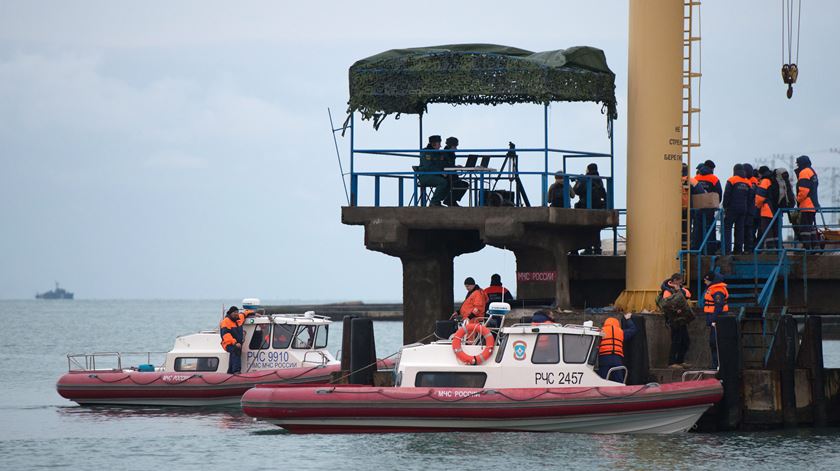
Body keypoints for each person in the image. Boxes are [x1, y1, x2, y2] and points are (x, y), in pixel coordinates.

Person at [657, 273, 694, 368]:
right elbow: (665, 305)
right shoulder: (667, 291)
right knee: (676, 341)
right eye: (680, 280)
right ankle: (672, 362)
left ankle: (680, 361)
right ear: (675, 280)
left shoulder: (679, 289)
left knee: (685, 341)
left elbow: (688, 294)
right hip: (674, 320)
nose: (681, 282)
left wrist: (678, 290)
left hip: (682, 319)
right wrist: (675, 310)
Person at [722, 164, 753, 254]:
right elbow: (751, 197)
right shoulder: (748, 182)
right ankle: (738, 250)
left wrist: (725, 206)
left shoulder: (732, 180)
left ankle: (727, 250)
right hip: (743, 209)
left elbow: (727, 194)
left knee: (727, 228)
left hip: (732, 208)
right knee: (740, 229)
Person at [598, 313, 636, 383]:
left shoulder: (601, 331)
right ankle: (620, 391)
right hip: (617, 359)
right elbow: (633, 329)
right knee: (619, 381)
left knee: (602, 381)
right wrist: (628, 319)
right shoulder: (621, 332)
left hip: (604, 358)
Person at [694, 162, 722, 251]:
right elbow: (719, 194)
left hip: (697, 208)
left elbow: (691, 191)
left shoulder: (696, 178)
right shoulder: (714, 179)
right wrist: (715, 204)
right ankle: (710, 249)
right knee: (710, 228)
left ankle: (697, 248)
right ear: (712, 169)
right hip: (710, 208)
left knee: (697, 228)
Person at [703, 272, 728, 369]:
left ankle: (717, 364)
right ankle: (715, 364)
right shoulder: (712, 289)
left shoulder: (717, 290)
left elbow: (718, 306)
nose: (704, 281)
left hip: (718, 319)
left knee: (715, 342)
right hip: (714, 318)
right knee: (713, 342)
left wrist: (713, 319)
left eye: (706, 280)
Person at [795, 155, 820, 249]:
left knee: (805, 228)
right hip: (813, 204)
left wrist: (798, 199)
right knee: (811, 227)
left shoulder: (804, 172)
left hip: (806, 205)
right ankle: (815, 246)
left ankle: (807, 247)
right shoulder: (812, 171)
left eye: (798, 164)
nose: (797, 166)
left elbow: (804, 190)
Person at [418, 135, 449, 207]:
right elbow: (428, 166)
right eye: (439, 143)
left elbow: (441, 163)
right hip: (425, 176)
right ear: (433, 144)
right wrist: (441, 172)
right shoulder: (427, 152)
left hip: (434, 175)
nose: (440, 146)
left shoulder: (437, 153)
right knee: (443, 182)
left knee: (450, 181)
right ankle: (434, 202)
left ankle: (440, 201)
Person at [441, 136, 469, 207]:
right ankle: (449, 201)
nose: (456, 148)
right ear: (451, 146)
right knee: (459, 184)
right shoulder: (444, 154)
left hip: (452, 175)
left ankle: (452, 201)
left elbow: (450, 165)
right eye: (455, 146)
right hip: (446, 176)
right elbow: (445, 166)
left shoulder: (451, 154)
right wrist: (455, 167)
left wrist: (456, 167)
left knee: (465, 184)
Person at [754, 166, 778, 248]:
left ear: (761, 173)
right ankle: (777, 248)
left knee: (767, 230)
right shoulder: (772, 179)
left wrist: (757, 205)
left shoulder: (765, 181)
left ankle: (770, 249)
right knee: (774, 230)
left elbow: (760, 197)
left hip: (766, 209)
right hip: (775, 209)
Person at [220, 306, 245, 374]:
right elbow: (226, 335)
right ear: (230, 313)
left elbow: (244, 314)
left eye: (237, 312)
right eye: (234, 312)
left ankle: (230, 371)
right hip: (227, 343)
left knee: (235, 352)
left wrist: (253, 313)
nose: (236, 314)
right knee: (235, 350)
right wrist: (235, 342)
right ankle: (236, 371)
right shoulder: (225, 322)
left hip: (237, 343)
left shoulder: (239, 319)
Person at [742, 163, 760, 252]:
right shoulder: (752, 180)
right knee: (749, 230)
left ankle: (750, 249)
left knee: (750, 230)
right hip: (752, 209)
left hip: (752, 210)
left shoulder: (752, 181)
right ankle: (750, 248)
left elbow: (751, 195)